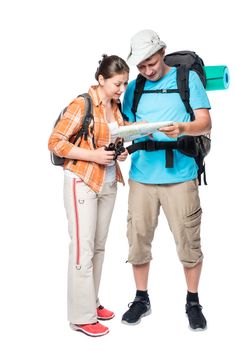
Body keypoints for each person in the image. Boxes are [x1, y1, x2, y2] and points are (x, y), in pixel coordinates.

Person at [121, 30, 212, 330]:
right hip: (142, 177)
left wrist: (183, 129)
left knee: (188, 241)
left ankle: (193, 301)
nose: (148, 70)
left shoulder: (188, 80)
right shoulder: (133, 88)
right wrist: (133, 131)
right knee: (138, 240)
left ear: (162, 52)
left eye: (152, 63)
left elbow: (205, 122)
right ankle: (141, 298)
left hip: (181, 176)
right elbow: (123, 128)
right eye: (142, 66)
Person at [48, 54, 129, 337]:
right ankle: (81, 317)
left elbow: (114, 140)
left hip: (108, 181)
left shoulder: (116, 107)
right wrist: (93, 155)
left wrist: (120, 150)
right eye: (118, 84)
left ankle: (91, 303)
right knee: (82, 250)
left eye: (125, 84)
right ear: (102, 80)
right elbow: (56, 142)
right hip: (82, 180)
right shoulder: (81, 103)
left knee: (98, 247)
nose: (121, 89)